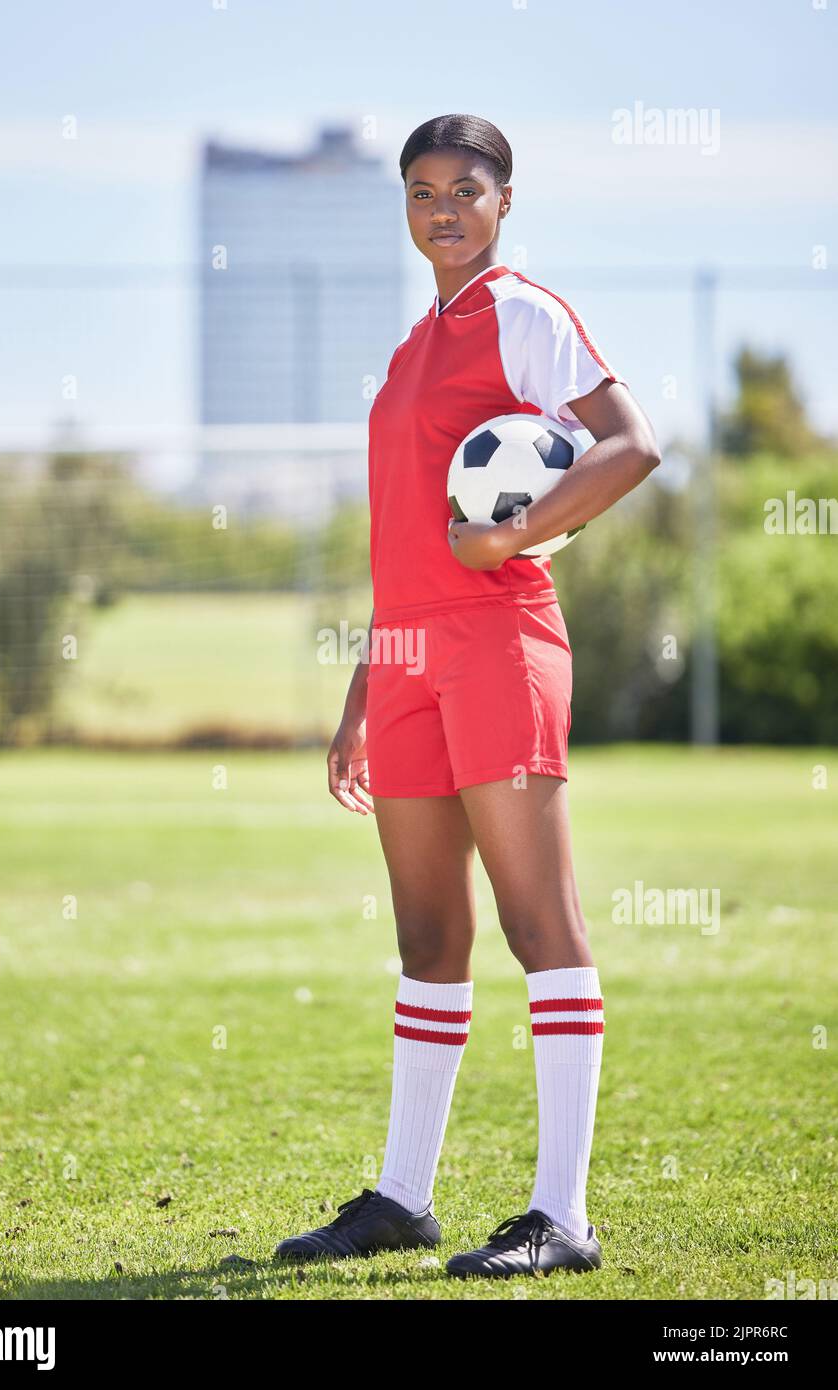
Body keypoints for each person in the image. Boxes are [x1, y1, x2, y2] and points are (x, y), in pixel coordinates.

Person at [274, 113, 661, 1279]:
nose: (441, 207)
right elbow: (401, 539)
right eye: (420, 190)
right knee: (428, 932)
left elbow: (632, 445)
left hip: (499, 641)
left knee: (537, 918)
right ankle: (401, 1195)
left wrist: (524, 534)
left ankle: (561, 1215)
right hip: (403, 659)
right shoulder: (408, 349)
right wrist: (360, 689)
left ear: (504, 201)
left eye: (465, 188)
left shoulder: (524, 314)